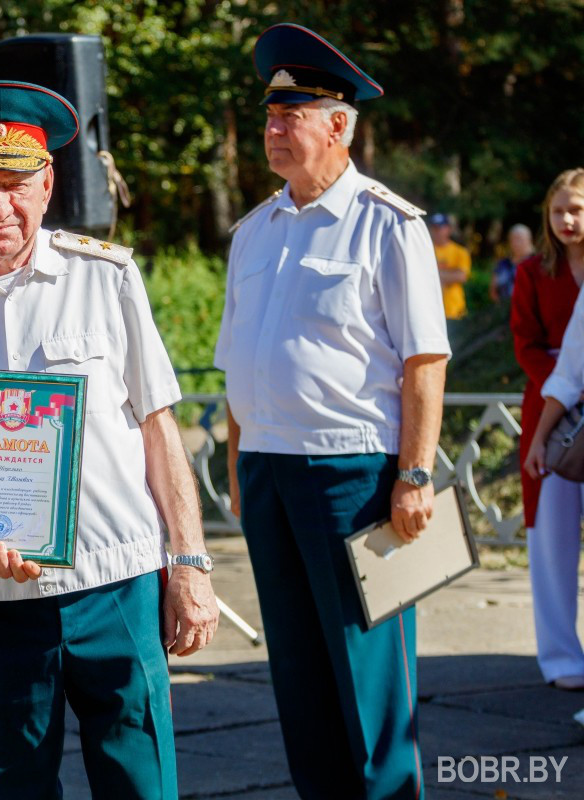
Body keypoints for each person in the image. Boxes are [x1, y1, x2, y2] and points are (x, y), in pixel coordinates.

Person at [0, 80, 219, 799]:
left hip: (117, 581)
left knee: (142, 782)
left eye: (14, 184)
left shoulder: (107, 278)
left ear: (48, 185)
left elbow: (160, 431)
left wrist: (189, 565)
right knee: (13, 788)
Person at [216, 24, 450, 800]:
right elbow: (239, 371)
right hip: (269, 474)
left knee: (370, 677)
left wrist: (413, 476)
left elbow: (424, 360)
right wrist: (238, 469)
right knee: (299, 674)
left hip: (356, 474)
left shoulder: (389, 223)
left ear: (339, 124)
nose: (274, 130)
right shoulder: (252, 233)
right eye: (270, 117)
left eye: (292, 116)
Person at [515, 168, 584, 689]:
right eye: (558, 209)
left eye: (577, 209)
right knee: (551, 536)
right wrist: (564, 387)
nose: (566, 219)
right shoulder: (534, 272)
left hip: (567, 389)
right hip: (549, 404)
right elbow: (526, 343)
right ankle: (561, 659)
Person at [431, 212, 472, 324]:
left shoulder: (460, 252)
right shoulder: (425, 249)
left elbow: (461, 276)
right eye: (434, 227)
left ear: (448, 229)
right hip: (430, 310)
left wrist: (433, 274)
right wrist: (450, 273)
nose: (437, 231)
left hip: (453, 310)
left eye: (440, 227)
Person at [491, 223, 534, 304]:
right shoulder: (502, 264)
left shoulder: (537, 263)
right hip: (504, 311)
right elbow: (493, 290)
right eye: (513, 239)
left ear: (529, 240)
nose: (516, 243)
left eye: (519, 239)